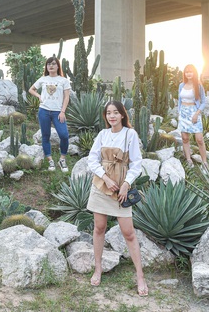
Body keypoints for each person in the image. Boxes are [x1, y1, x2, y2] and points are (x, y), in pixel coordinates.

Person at [86, 100, 148, 297]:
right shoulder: (102, 135)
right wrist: (105, 178)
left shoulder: (130, 134)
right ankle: (98, 268)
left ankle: (140, 276)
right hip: (101, 187)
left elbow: (136, 164)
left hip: (121, 189)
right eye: (108, 113)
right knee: (99, 228)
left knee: (128, 232)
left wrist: (125, 184)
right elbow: (92, 160)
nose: (111, 116)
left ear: (122, 115)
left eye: (115, 112)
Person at [28, 56, 71, 172]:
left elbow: (67, 97)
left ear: (58, 66)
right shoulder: (43, 79)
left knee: (64, 135)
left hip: (58, 112)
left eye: (53, 64)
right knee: (45, 136)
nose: (50, 66)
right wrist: (39, 96)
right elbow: (31, 89)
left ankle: (62, 159)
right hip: (44, 111)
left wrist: (63, 112)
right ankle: (50, 160)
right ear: (46, 67)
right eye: (48, 64)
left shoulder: (63, 81)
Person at [178, 64, 208, 166]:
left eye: (190, 71)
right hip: (183, 113)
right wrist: (179, 113)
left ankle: (204, 162)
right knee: (185, 138)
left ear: (194, 73)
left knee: (199, 139)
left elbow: (204, 102)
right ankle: (189, 160)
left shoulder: (198, 86)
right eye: (187, 72)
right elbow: (179, 101)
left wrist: (196, 114)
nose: (188, 74)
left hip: (194, 112)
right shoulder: (181, 86)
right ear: (184, 74)